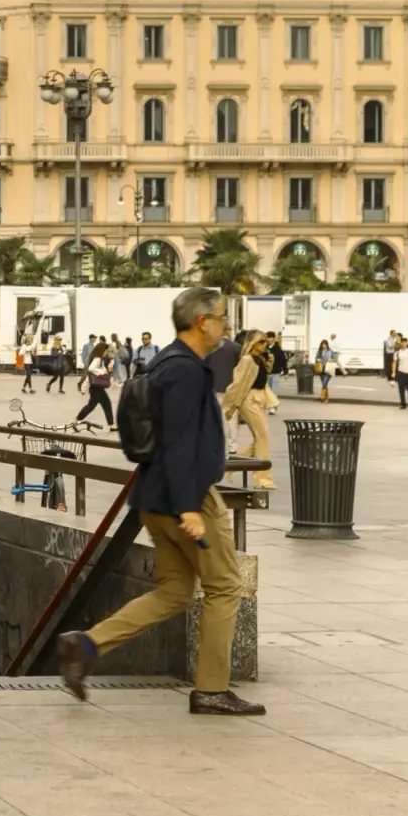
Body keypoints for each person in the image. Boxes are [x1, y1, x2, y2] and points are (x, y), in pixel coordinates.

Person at [56, 287, 263, 716]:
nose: (226, 326)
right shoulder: (186, 371)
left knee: (173, 592)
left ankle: (88, 644)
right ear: (202, 321)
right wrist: (190, 506)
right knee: (225, 586)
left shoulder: (165, 361)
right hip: (185, 497)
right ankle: (211, 689)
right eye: (222, 317)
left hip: (154, 494)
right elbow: (180, 441)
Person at [222, 331, 277, 490]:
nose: (264, 346)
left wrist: (269, 363)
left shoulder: (260, 359)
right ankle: (262, 478)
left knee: (260, 439)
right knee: (263, 437)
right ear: (252, 343)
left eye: (265, 343)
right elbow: (237, 384)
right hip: (249, 400)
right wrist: (230, 406)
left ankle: (229, 466)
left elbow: (262, 379)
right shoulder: (246, 360)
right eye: (261, 342)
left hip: (260, 399)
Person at [74, 339, 117, 429]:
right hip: (97, 388)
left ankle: (76, 420)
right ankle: (112, 425)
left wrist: (84, 388)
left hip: (95, 388)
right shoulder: (98, 359)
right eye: (106, 350)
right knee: (103, 405)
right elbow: (91, 369)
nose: (106, 352)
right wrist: (102, 373)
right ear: (102, 350)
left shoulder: (97, 358)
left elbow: (89, 375)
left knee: (94, 406)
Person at [314, 338, 336, 402]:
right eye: (322, 344)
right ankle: (327, 398)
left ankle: (322, 397)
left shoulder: (330, 352)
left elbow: (335, 359)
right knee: (324, 384)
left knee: (324, 383)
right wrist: (317, 359)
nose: (323, 345)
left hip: (328, 369)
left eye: (325, 344)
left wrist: (330, 360)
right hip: (321, 369)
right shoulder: (319, 351)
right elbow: (316, 358)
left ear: (327, 345)